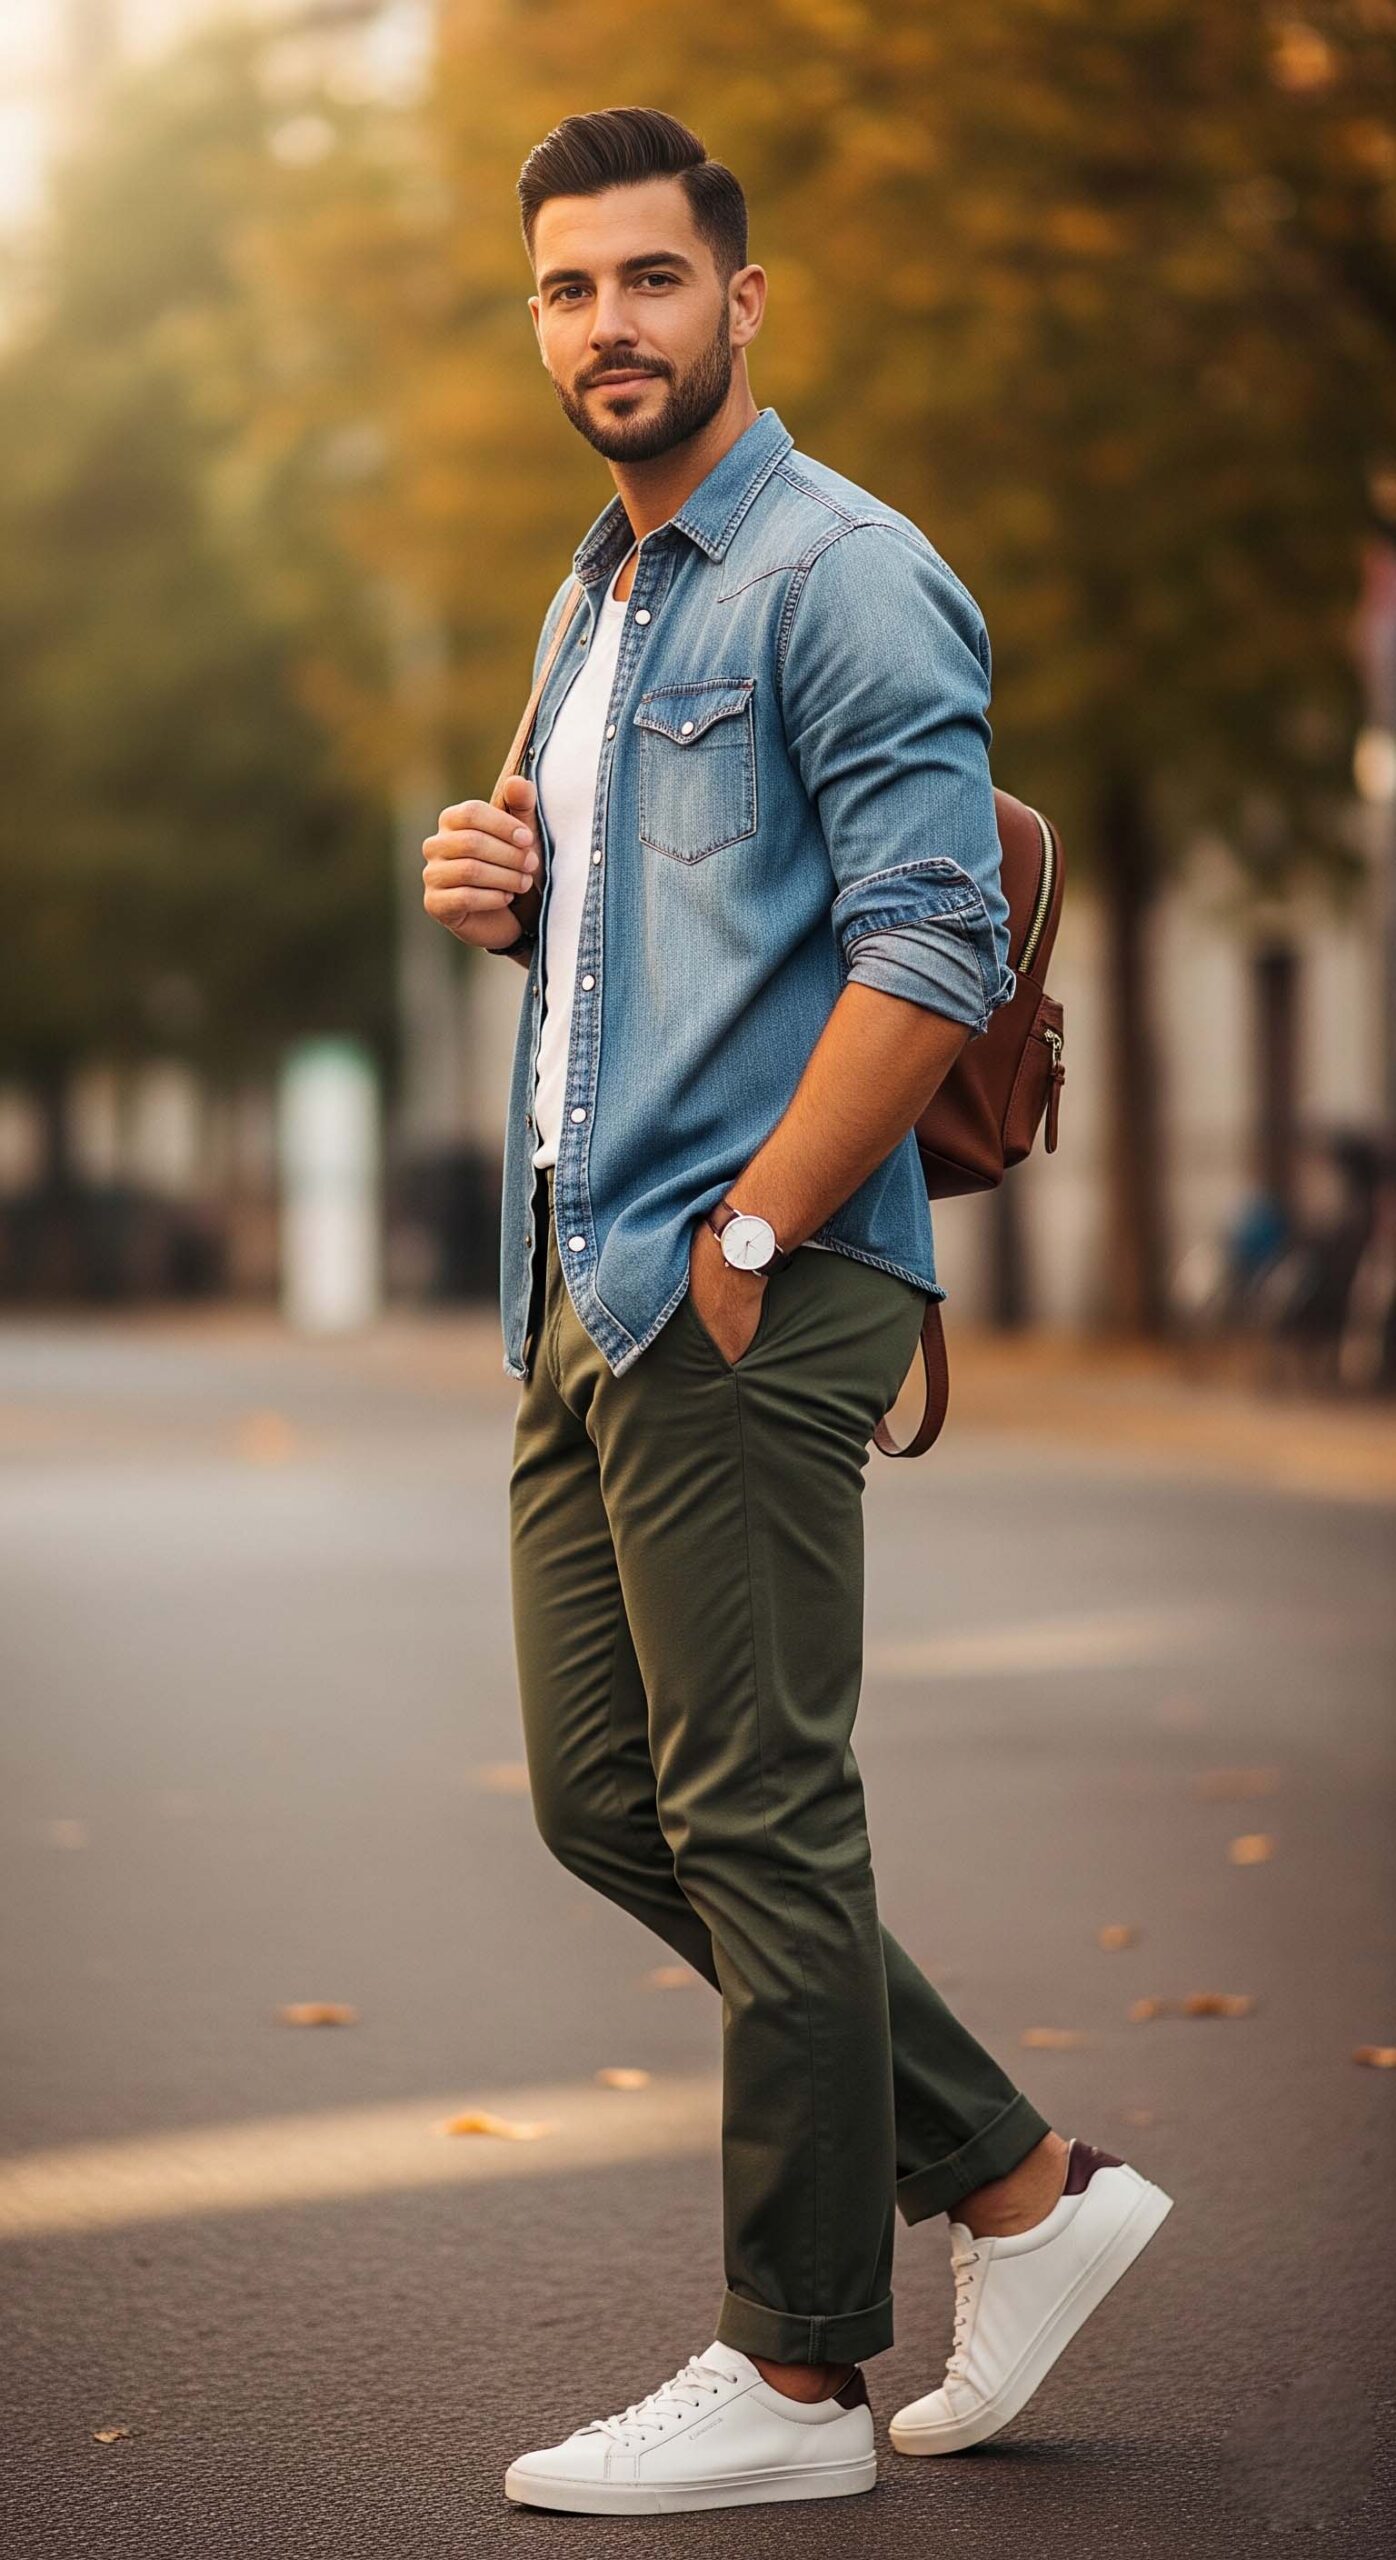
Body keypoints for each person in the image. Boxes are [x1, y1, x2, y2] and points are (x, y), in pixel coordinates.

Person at [422, 102, 1173, 2518]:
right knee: (612, 1798)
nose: (604, 327)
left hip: (742, 1272)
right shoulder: (594, 593)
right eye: (563, 288)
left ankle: (792, 2367)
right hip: (588, 1269)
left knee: (756, 1801)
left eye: (647, 280)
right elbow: (669, 929)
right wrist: (501, 885)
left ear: (740, 301)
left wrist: (749, 1235)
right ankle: (1020, 2187)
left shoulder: (846, 573)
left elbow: (929, 941)